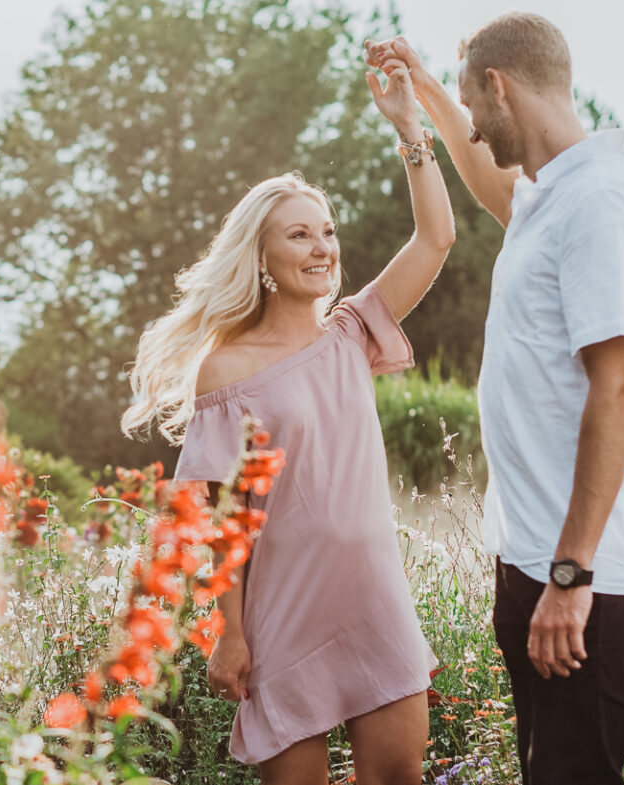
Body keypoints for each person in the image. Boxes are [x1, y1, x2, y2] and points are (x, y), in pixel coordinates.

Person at [122, 56, 454, 785]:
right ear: (264, 257)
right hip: (283, 618)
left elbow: (434, 240)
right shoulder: (227, 372)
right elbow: (220, 519)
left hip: (373, 601)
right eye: (299, 235)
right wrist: (231, 632)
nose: (322, 247)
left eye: (326, 232)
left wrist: (410, 130)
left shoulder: (351, 334)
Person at [367, 14, 624, 784]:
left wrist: (571, 577)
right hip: (536, 559)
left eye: (473, 105)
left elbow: (621, 385)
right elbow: (497, 189)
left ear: (499, 87)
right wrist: (424, 99)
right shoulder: (553, 196)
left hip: (581, 576)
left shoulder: (599, 201)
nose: (472, 124)